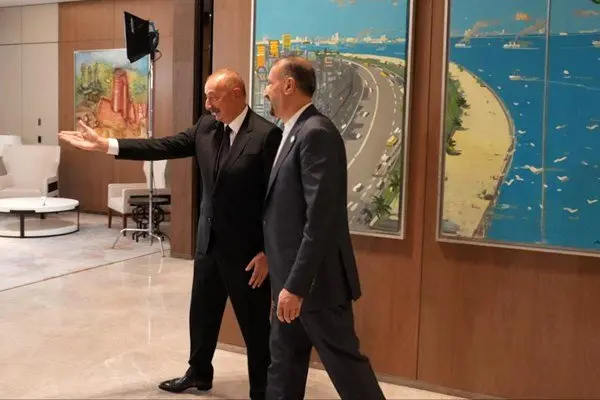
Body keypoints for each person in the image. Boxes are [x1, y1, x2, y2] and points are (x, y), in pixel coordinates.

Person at [58, 69, 282, 400]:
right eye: (206, 97)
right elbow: (162, 145)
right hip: (208, 244)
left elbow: (277, 199)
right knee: (202, 315)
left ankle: (261, 390)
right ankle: (199, 374)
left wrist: (267, 252)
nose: (208, 104)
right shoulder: (206, 127)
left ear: (237, 94)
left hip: (249, 254)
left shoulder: (266, 135)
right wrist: (106, 145)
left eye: (214, 97)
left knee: (255, 326)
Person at [261, 56, 386, 400]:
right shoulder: (292, 132)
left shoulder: (316, 133)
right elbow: (285, 213)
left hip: (315, 286)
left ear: (289, 85)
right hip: (289, 281)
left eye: (270, 83)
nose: (266, 91)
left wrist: (296, 285)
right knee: (283, 366)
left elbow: (321, 219)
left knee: (347, 370)